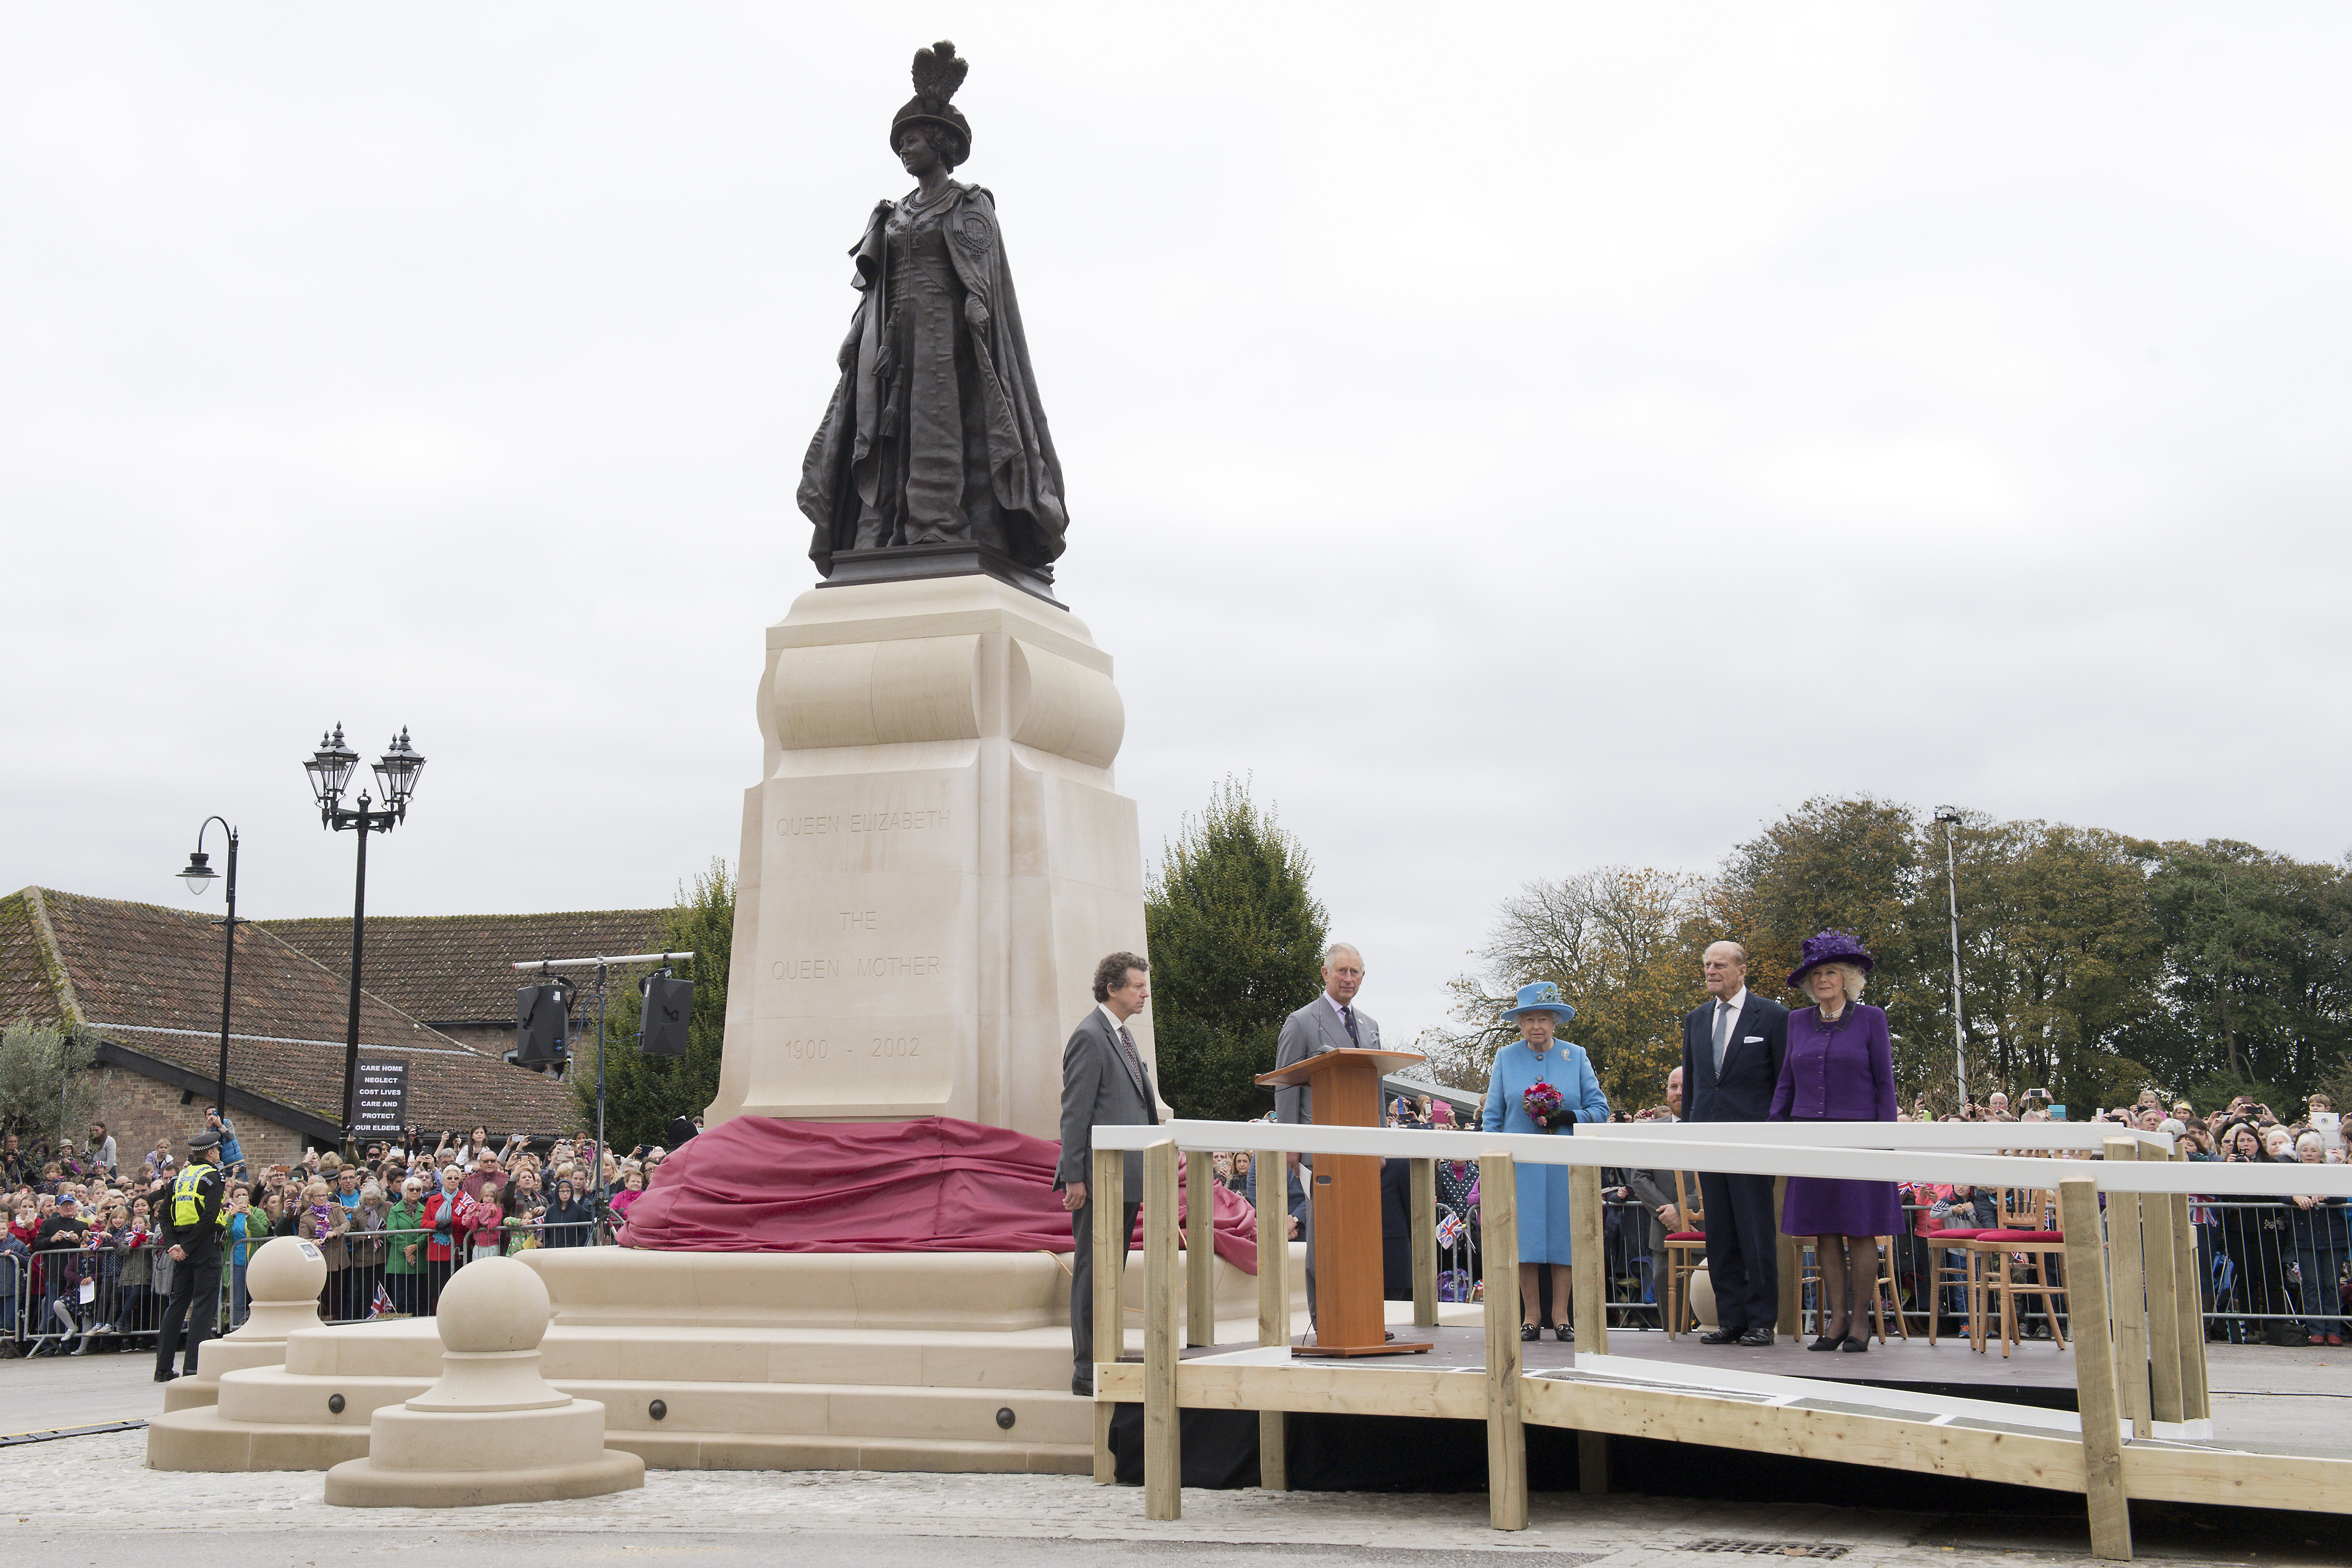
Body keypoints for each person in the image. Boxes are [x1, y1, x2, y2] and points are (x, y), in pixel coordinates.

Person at [800, 40, 1068, 579]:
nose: (906, 148)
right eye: (901, 141)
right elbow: (873, 287)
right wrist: (856, 338)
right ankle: (879, 533)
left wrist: (975, 315)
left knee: (936, 425)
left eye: (915, 139)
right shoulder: (891, 212)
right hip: (889, 340)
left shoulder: (968, 206)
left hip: (945, 339)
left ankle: (937, 526)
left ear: (940, 144)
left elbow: (981, 280)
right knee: (878, 431)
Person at [1770, 931, 1903, 1354]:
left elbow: (1885, 1083)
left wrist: (1885, 1138)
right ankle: (1836, 1318)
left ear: (1847, 978)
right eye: (1817, 974)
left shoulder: (1871, 1019)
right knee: (1824, 1233)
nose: (1823, 980)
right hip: (1810, 1138)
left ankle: (1860, 1321)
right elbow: (1786, 1082)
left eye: (1831, 972)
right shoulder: (1796, 1022)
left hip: (1862, 1138)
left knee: (1860, 1232)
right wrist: (1775, 1128)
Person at [1055, 950, 1162, 1398]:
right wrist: (1074, 1176)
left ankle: (1106, 1354)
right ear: (1112, 988)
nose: (1144, 993)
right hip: (1098, 1180)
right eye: (1137, 986)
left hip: (1126, 1177)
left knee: (1109, 1272)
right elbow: (1075, 1112)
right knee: (1092, 1270)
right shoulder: (1089, 1036)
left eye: (1144, 985)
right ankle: (1086, 1369)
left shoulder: (1121, 1035)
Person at [1480, 982, 1609, 1340]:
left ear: (1554, 1022)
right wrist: (1493, 1162)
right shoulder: (1505, 1058)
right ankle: (1531, 1316)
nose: (1536, 1026)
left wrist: (1570, 1116)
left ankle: (1561, 1315)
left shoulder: (1576, 1055)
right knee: (1527, 1240)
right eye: (1529, 1019)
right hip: (1520, 1167)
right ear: (1520, 1023)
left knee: (1562, 1239)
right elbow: (1492, 1117)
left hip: (1565, 1166)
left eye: (1543, 1019)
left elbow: (1601, 1110)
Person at [1680, 939, 1791, 1348]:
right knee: (1721, 1233)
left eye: (1720, 965)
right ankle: (1730, 1318)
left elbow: (1783, 1083)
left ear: (1742, 970)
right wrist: (1689, 1132)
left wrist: (1776, 1136)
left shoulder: (1773, 1016)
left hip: (1752, 1142)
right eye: (1707, 964)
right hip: (1707, 1140)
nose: (1711, 971)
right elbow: (1693, 1084)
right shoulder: (1695, 1019)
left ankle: (1762, 1319)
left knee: (1755, 1231)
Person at [1272, 942, 1381, 1316]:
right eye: (1341, 971)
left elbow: (1376, 1087)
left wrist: (1380, 1142)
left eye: (1355, 972)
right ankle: (1328, 1317)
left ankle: (1362, 1315)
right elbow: (1286, 1085)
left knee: (1360, 1233)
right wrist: (1291, 1146)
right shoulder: (1301, 1022)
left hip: (1361, 1149)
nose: (1348, 979)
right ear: (1325, 973)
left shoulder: (1370, 1026)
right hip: (1319, 1148)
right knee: (1326, 1235)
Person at [153, 1128, 228, 1382]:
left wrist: (175, 1246)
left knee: (177, 1305)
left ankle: (163, 1368)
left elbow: (164, 1216)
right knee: (204, 1306)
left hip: (182, 1246)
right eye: (218, 1150)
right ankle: (194, 1367)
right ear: (210, 1152)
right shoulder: (213, 1177)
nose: (219, 1154)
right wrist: (187, 1248)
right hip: (204, 1245)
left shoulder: (178, 1178)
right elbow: (209, 1217)